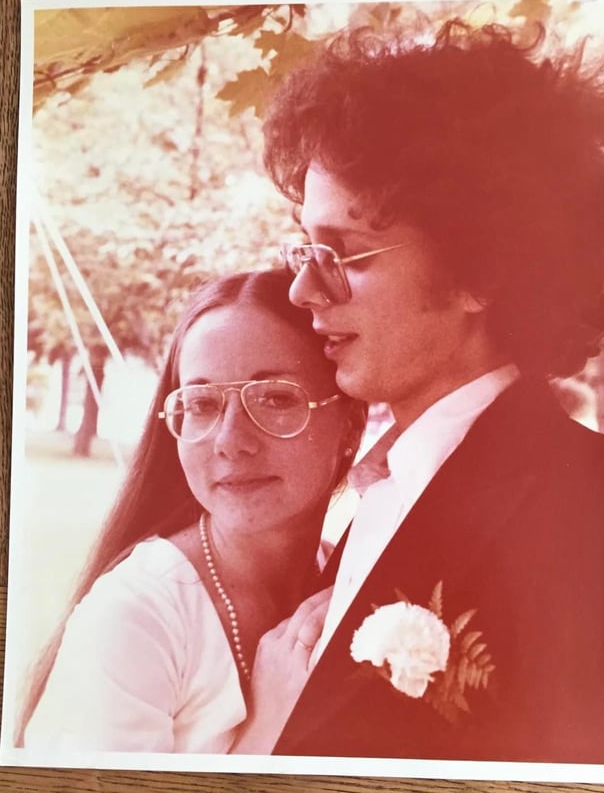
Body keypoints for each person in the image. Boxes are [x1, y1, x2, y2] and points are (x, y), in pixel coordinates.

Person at [257, 18, 604, 762]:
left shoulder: (599, 513)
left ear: (480, 269)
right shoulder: (375, 486)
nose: (301, 289)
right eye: (304, 247)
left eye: (345, 254)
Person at [18, 268, 365, 753]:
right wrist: (269, 723)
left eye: (275, 398)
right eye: (201, 404)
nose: (229, 442)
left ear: (351, 426)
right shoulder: (137, 615)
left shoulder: (351, 579)